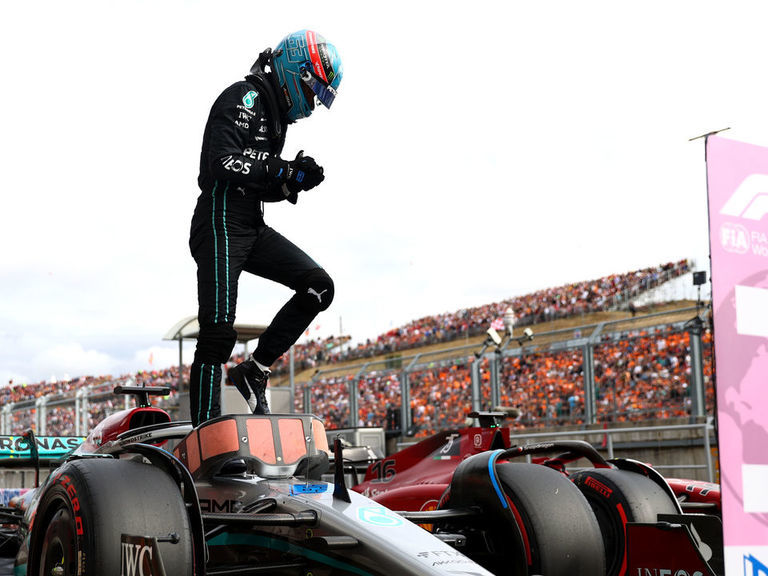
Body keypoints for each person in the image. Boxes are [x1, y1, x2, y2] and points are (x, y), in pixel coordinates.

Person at [188, 30, 343, 426]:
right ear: (297, 71)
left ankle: (255, 368)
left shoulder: (275, 119)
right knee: (218, 335)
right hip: (219, 220)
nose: (312, 106)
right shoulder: (244, 96)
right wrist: (281, 169)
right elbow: (219, 163)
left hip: (250, 223)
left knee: (319, 285)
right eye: (314, 93)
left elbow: (262, 183)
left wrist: (294, 182)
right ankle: (205, 436)